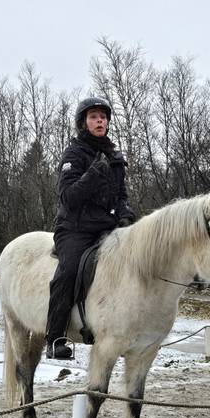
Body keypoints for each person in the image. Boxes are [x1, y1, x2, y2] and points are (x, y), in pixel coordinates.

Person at [46, 96, 136, 359]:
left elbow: (121, 196)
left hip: (105, 228)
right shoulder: (74, 154)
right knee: (69, 270)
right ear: (83, 123)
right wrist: (93, 174)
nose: (100, 121)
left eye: (103, 117)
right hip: (74, 228)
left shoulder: (115, 156)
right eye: (94, 117)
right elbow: (68, 198)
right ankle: (55, 338)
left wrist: (125, 216)